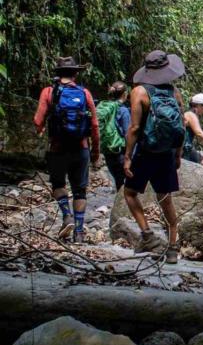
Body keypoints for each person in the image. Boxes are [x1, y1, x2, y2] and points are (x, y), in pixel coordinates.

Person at [123, 50, 186, 264]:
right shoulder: (174, 92)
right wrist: (178, 154)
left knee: (130, 193)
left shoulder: (139, 92)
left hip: (145, 152)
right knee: (165, 198)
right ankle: (172, 248)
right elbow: (181, 127)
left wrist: (128, 157)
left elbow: (134, 128)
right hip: (167, 153)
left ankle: (147, 235)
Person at [33, 57, 100, 244]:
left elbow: (38, 120)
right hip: (81, 148)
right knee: (80, 191)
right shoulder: (84, 93)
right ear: (75, 74)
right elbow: (94, 125)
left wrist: (42, 129)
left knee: (58, 185)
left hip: (57, 148)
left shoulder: (48, 92)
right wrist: (95, 153)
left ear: (58, 73)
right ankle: (79, 232)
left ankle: (66, 215)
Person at [96, 81, 131, 191]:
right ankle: (123, 206)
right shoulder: (124, 110)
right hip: (120, 150)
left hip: (108, 149)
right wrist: (130, 154)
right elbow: (127, 133)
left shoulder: (104, 106)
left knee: (118, 180)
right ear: (125, 94)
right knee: (126, 183)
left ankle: (120, 203)